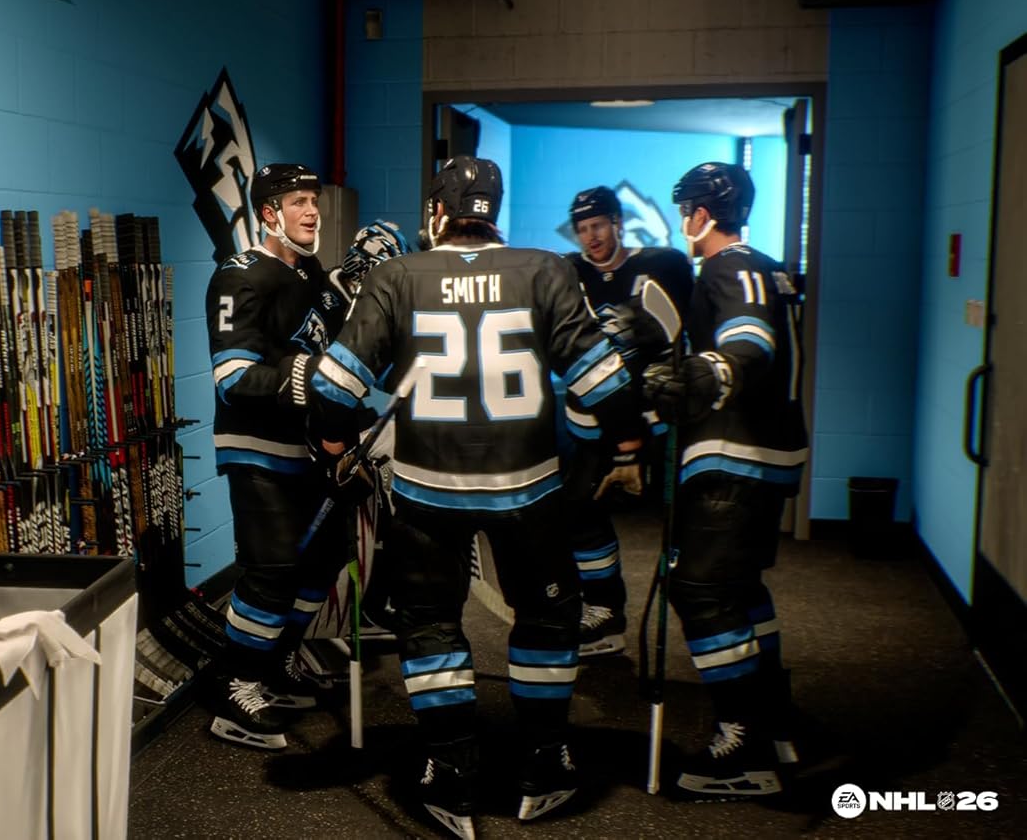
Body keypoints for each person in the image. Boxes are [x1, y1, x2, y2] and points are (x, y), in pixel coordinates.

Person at [309, 156, 645, 837]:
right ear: (494, 210)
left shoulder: (398, 275)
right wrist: (628, 448)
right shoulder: (546, 269)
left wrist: (338, 447)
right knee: (546, 619)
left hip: (428, 492)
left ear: (438, 212)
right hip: (528, 488)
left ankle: (450, 766)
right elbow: (605, 381)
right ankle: (545, 757)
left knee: (430, 623)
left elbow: (332, 386)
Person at [643, 161, 808, 797]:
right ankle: (773, 716)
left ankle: (746, 743)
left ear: (701, 214)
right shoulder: (768, 266)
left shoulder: (726, 266)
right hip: (766, 456)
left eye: (685, 209)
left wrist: (709, 372)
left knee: (699, 589)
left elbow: (750, 342)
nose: (684, 220)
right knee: (741, 587)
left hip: (734, 456)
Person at [202, 163, 352, 750]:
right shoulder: (237, 276)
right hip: (257, 450)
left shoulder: (311, 273)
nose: (312, 211)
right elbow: (234, 378)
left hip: (309, 448)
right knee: (273, 568)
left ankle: (276, 661)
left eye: (314, 200)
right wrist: (315, 376)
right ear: (269, 213)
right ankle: (235, 684)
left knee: (324, 559)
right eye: (297, 202)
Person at [561, 186, 695, 657]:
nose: (591, 237)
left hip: (654, 420)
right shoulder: (568, 272)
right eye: (582, 229)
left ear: (617, 222)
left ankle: (703, 608)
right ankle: (604, 610)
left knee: (683, 522)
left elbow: (685, 334)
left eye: (598, 225)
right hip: (597, 422)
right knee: (579, 511)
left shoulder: (664, 265)